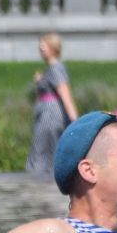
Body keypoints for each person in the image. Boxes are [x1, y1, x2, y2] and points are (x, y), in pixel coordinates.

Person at [25, 33, 77, 177]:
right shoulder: (52, 68)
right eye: (40, 45)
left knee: (42, 151)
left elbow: (65, 93)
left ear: (54, 48)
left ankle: (41, 180)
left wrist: (75, 120)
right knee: (48, 151)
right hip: (47, 114)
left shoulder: (55, 67)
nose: (41, 48)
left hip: (50, 116)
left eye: (45, 45)